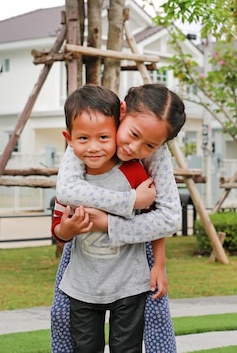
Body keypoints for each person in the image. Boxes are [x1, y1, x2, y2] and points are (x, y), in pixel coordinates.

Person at [51, 83, 186, 353]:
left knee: (136, 336)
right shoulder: (91, 137)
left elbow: (167, 218)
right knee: (71, 328)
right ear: (122, 112)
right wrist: (131, 201)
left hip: (131, 269)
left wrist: (158, 262)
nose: (134, 147)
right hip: (84, 267)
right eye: (133, 134)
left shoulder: (149, 160)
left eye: (150, 144)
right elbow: (66, 192)